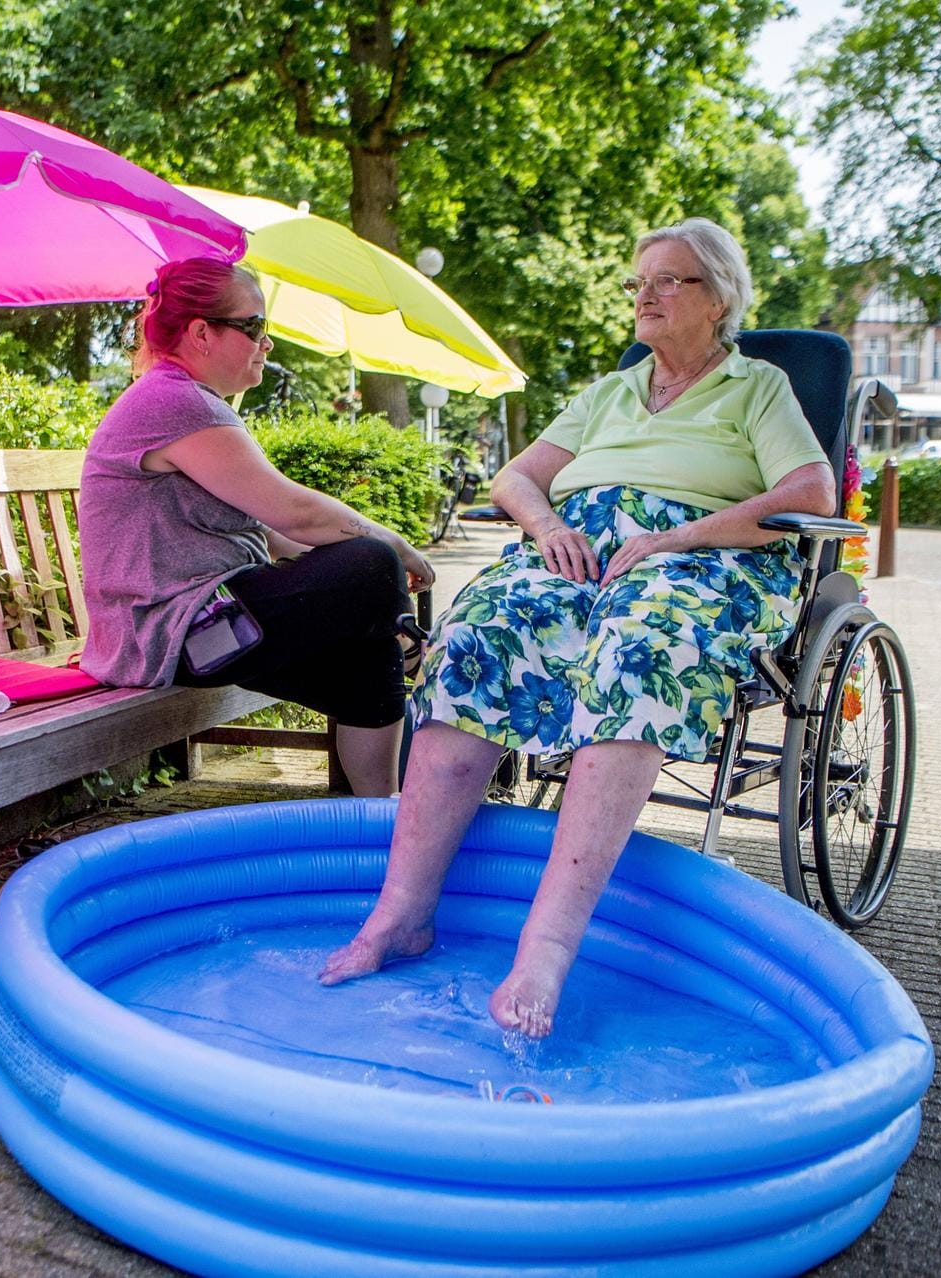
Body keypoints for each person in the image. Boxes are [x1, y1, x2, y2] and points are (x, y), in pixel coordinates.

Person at [321, 218, 836, 1032]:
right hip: (580, 555)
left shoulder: (757, 387)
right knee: (475, 636)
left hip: (700, 559)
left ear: (720, 298)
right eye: (641, 280)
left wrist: (674, 536)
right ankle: (402, 913)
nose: (646, 293)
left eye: (671, 280)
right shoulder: (611, 390)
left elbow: (811, 496)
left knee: (640, 652)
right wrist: (546, 528)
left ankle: (547, 948)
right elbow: (517, 478)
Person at [79, 257, 436, 797]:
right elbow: (296, 512)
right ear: (202, 333)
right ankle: (419, 655)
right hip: (175, 637)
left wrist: (370, 591)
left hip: (199, 627)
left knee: (367, 647)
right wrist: (396, 551)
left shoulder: (187, 402)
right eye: (255, 327)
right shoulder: (173, 401)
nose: (267, 344)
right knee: (370, 563)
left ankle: (378, 819)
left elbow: (274, 535)